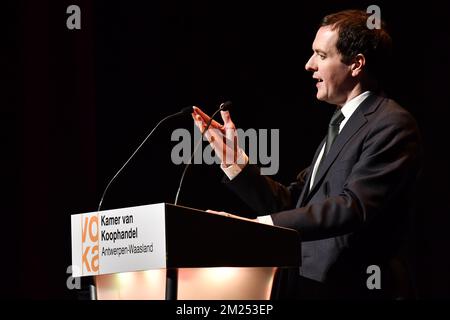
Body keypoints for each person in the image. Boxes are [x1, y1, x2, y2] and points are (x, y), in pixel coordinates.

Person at [191, 9, 422, 299]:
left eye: (321, 56)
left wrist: (258, 228)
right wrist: (235, 162)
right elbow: (293, 203)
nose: (308, 65)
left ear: (356, 64)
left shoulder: (392, 124)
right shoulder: (341, 124)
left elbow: (353, 207)